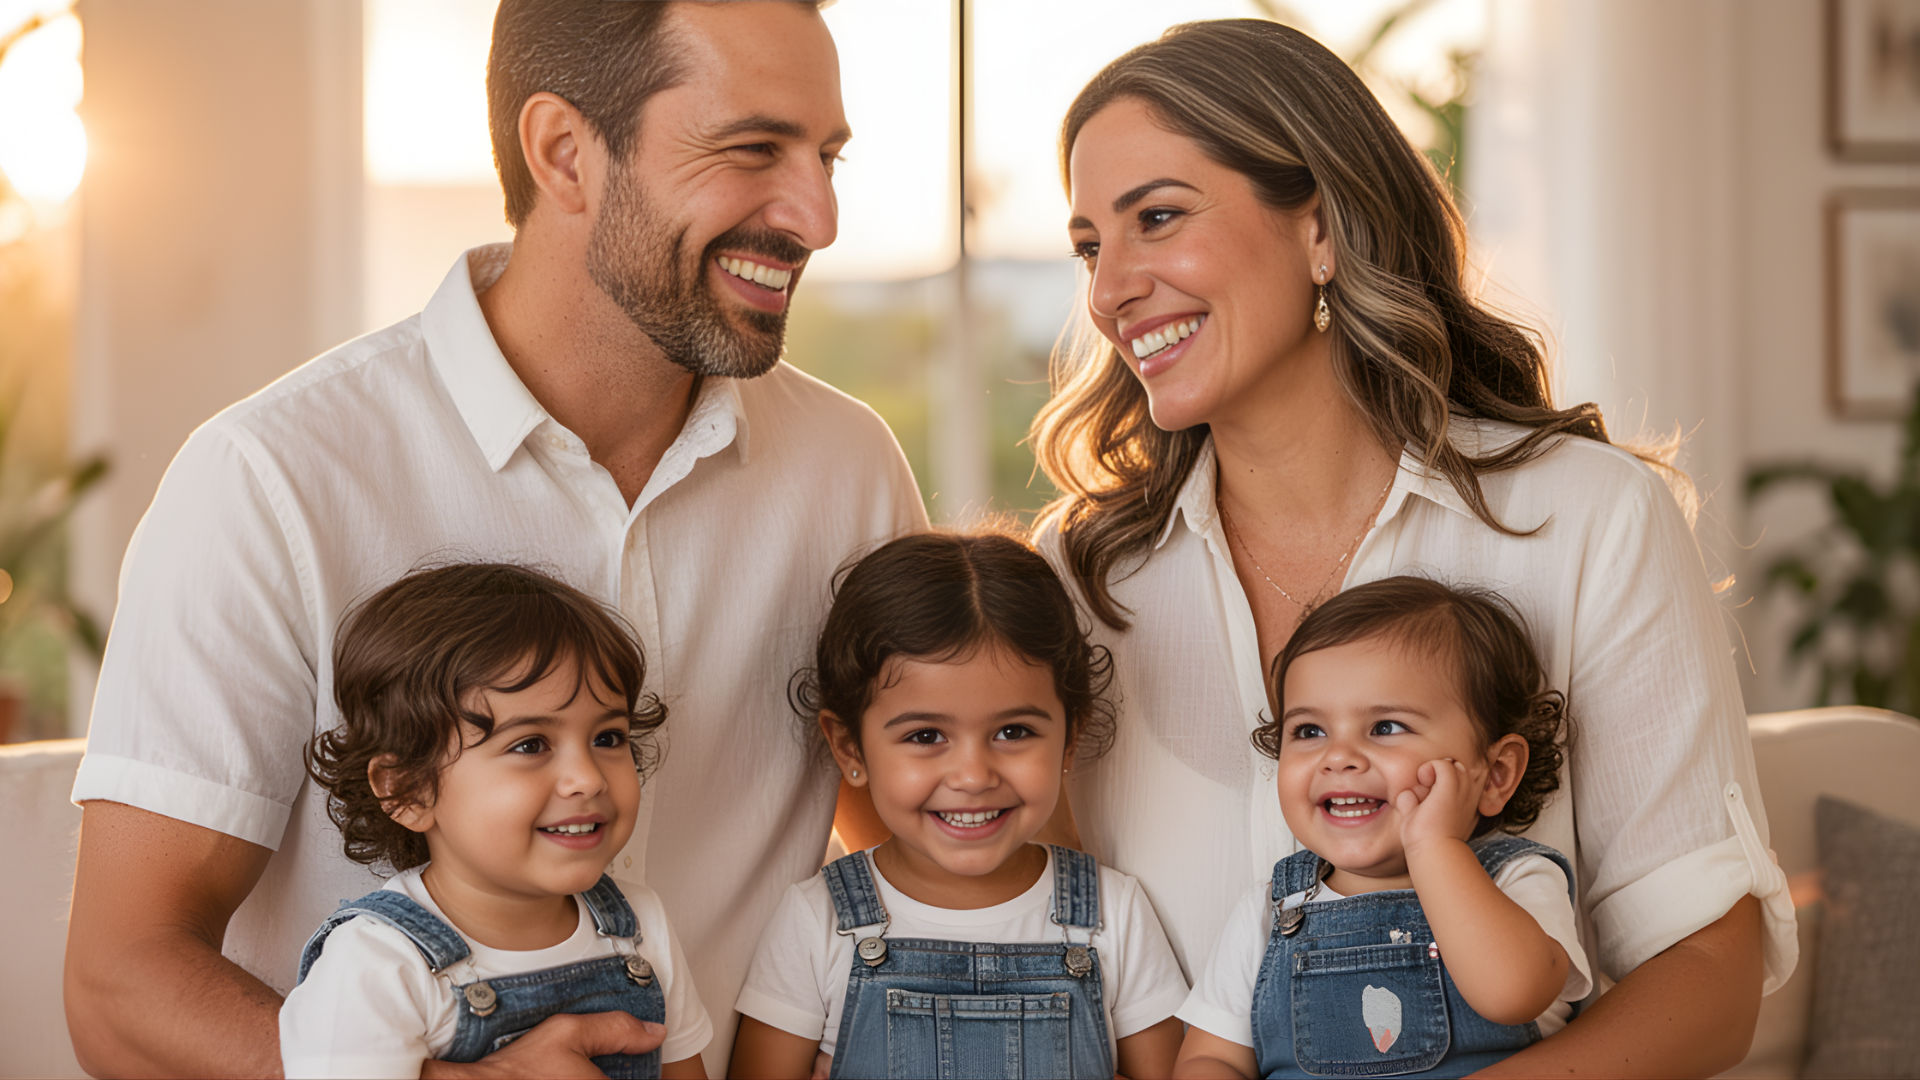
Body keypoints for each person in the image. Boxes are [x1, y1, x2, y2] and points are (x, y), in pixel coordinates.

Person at [64, 3, 924, 1076]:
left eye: (827, 155)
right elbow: (118, 983)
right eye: (753, 149)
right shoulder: (268, 479)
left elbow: (923, 833)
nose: (818, 216)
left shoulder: (848, 467)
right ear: (564, 151)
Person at [1029, 19, 1795, 1076]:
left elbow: (1707, 979)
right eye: (1088, 247)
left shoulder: (1586, 520)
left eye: (1157, 218)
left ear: (1324, 230)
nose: (1109, 290)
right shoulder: (1083, 578)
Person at [727, 533, 1187, 1080]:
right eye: (926, 736)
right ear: (849, 747)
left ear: (1069, 739)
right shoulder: (816, 922)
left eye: (1013, 731)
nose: (973, 777)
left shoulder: (1117, 916)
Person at [281, 564, 710, 1079]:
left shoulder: (640, 925)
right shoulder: (376, 964)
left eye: (608, 737)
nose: (587, 778)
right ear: (407, 790)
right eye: (530, 744)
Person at [1174, 577, 1592, 1078]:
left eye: (1386, 727)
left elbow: (1512, 995)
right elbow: (1211, 1056)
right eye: (1309, 731)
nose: (1340, 757)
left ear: (1496, 773)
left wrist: (1434, 846)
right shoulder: (1272, 913)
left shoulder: (1516, 881)